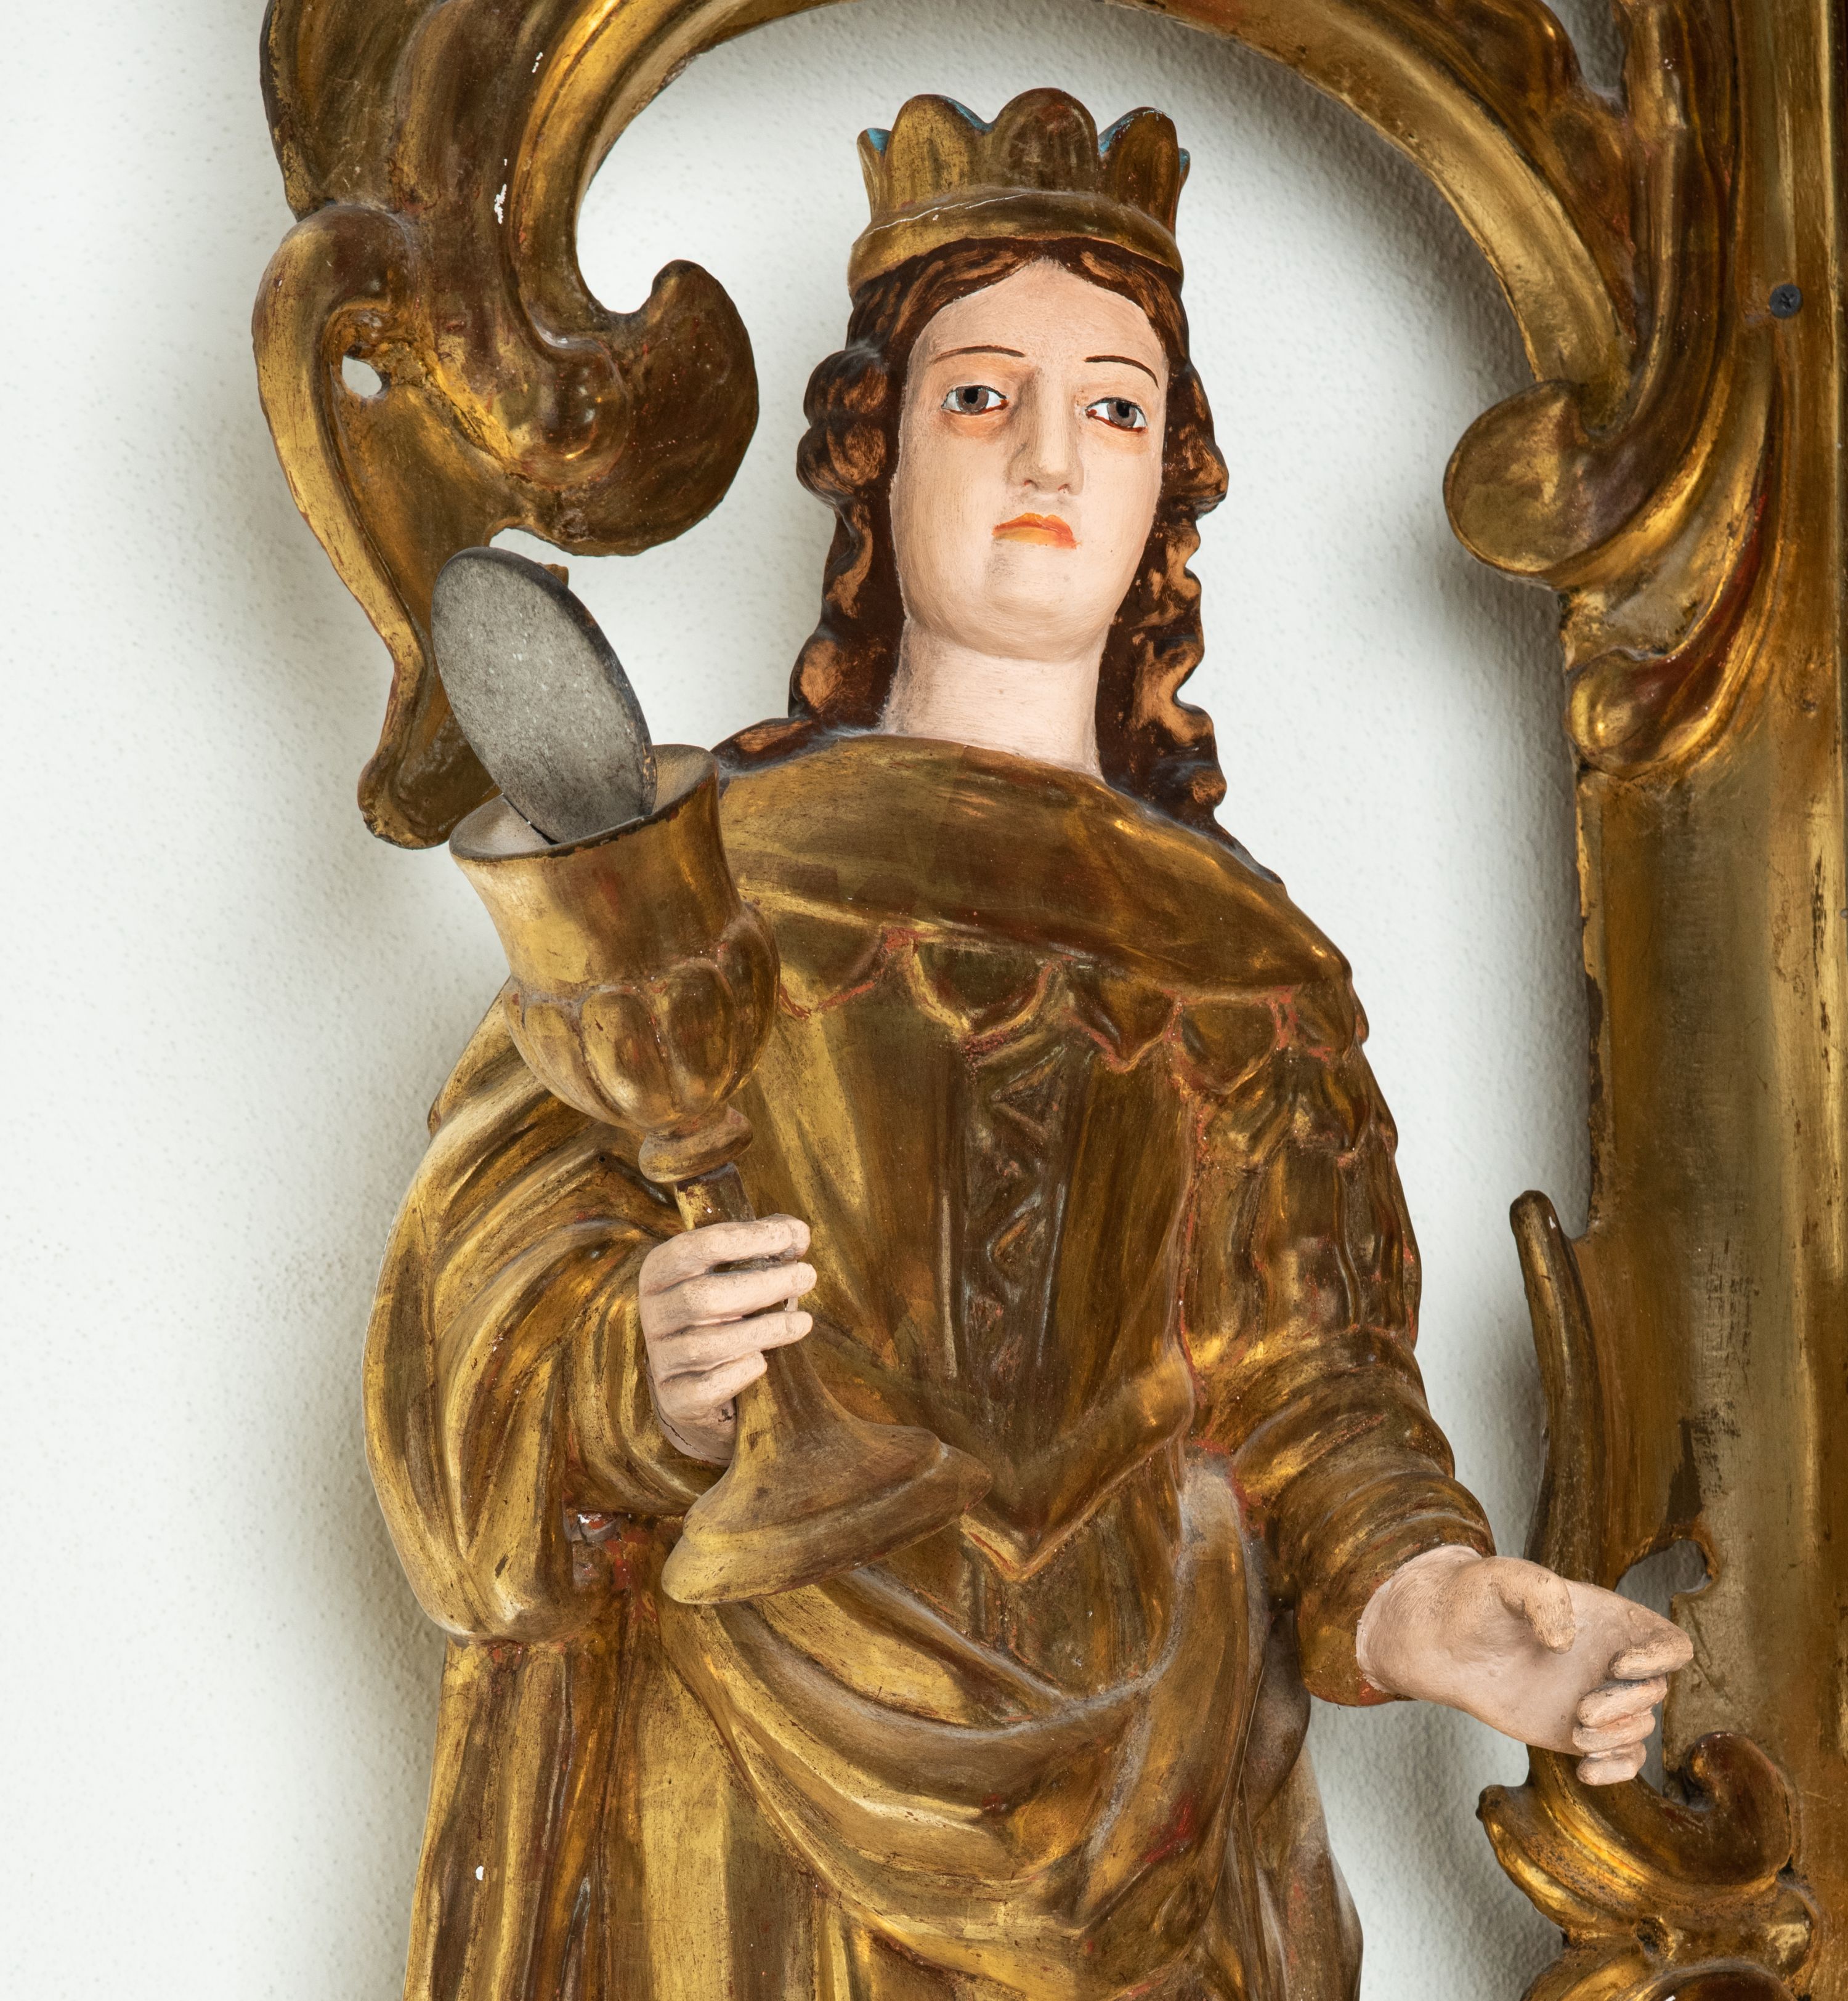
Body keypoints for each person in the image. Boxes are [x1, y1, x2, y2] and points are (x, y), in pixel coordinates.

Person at [365, 88, 1690, 2001]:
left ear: (1170, 492)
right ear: (878, 456)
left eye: (1117, 409)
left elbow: (1306, 1395)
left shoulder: (1247, 969)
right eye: (981, 396)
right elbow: (467, 1318)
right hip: (754, 1810)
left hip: (1159, 1794)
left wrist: (1437, 1602)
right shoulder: (699, 884)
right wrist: (626, 1373)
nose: (1050, 453)